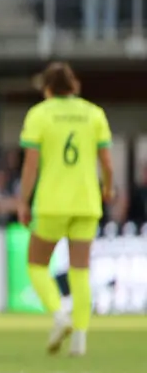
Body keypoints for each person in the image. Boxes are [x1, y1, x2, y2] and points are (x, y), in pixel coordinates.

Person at [17, 62, 113, 357]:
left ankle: (59, 316)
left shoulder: (39, 114)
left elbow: (31, 164)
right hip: (86, 202)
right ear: (74, 85)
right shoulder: (93, 113)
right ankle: (80, 340)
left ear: (47, 88)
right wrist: (108, 188)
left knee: (36, 265)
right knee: (80, 272)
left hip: (52, 202)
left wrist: (23, 200)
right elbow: (106, 162)